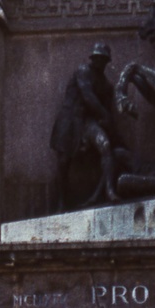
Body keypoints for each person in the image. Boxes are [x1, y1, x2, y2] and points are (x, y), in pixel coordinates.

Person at [49, 41, 124, 206]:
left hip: (88, 122)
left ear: (106, 61)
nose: (99, 61)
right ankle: (62, 200)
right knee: (63, 162)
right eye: (97, 58)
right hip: (69, 120)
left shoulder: (106, 85)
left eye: (103, 59)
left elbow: (107, 110)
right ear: (92, 58)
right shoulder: (82, 71)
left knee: (105, 145)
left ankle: (109, 190)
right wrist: (104, 115)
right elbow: (88, 96)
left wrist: (109, 125)